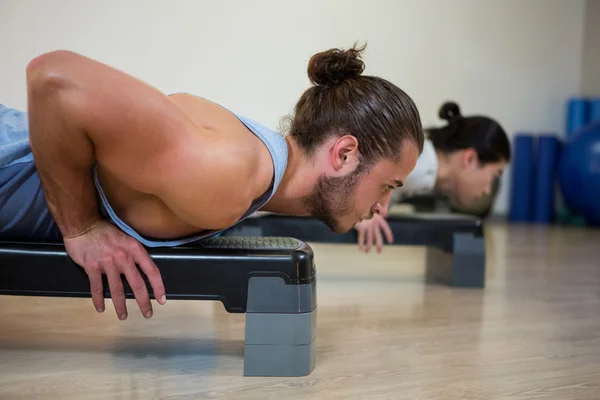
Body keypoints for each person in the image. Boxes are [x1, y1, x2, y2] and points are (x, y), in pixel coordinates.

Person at [0, 44, 424, 320]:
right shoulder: (228, 175)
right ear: (344, 155)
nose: (383, 206)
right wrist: (83, 227)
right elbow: (52, 77)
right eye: (388, 185)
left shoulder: (253, 169)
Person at [354, 101, 511, 252]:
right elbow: (350, 169)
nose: (487, 190)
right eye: (494, 175)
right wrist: (358, 209)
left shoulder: (424, 168)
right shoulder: (418, 164)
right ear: (469, 158)